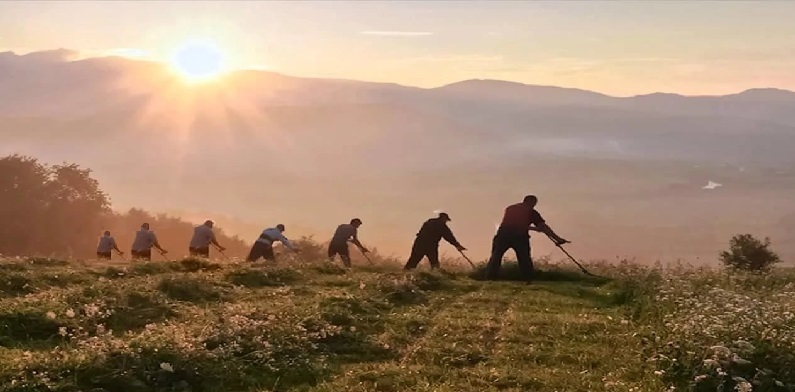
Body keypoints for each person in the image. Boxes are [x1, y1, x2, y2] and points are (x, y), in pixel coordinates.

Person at [485, 195, 569, 283]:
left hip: (502, 236)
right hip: (520, 237)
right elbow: (543, 226)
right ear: (533, 202)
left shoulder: (510, 208)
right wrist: (557, 239)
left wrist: (534, 228)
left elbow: (512, 223)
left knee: (496, 257)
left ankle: (490, 278)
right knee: (524, 259)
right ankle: (528, 279)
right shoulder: (532, 212)